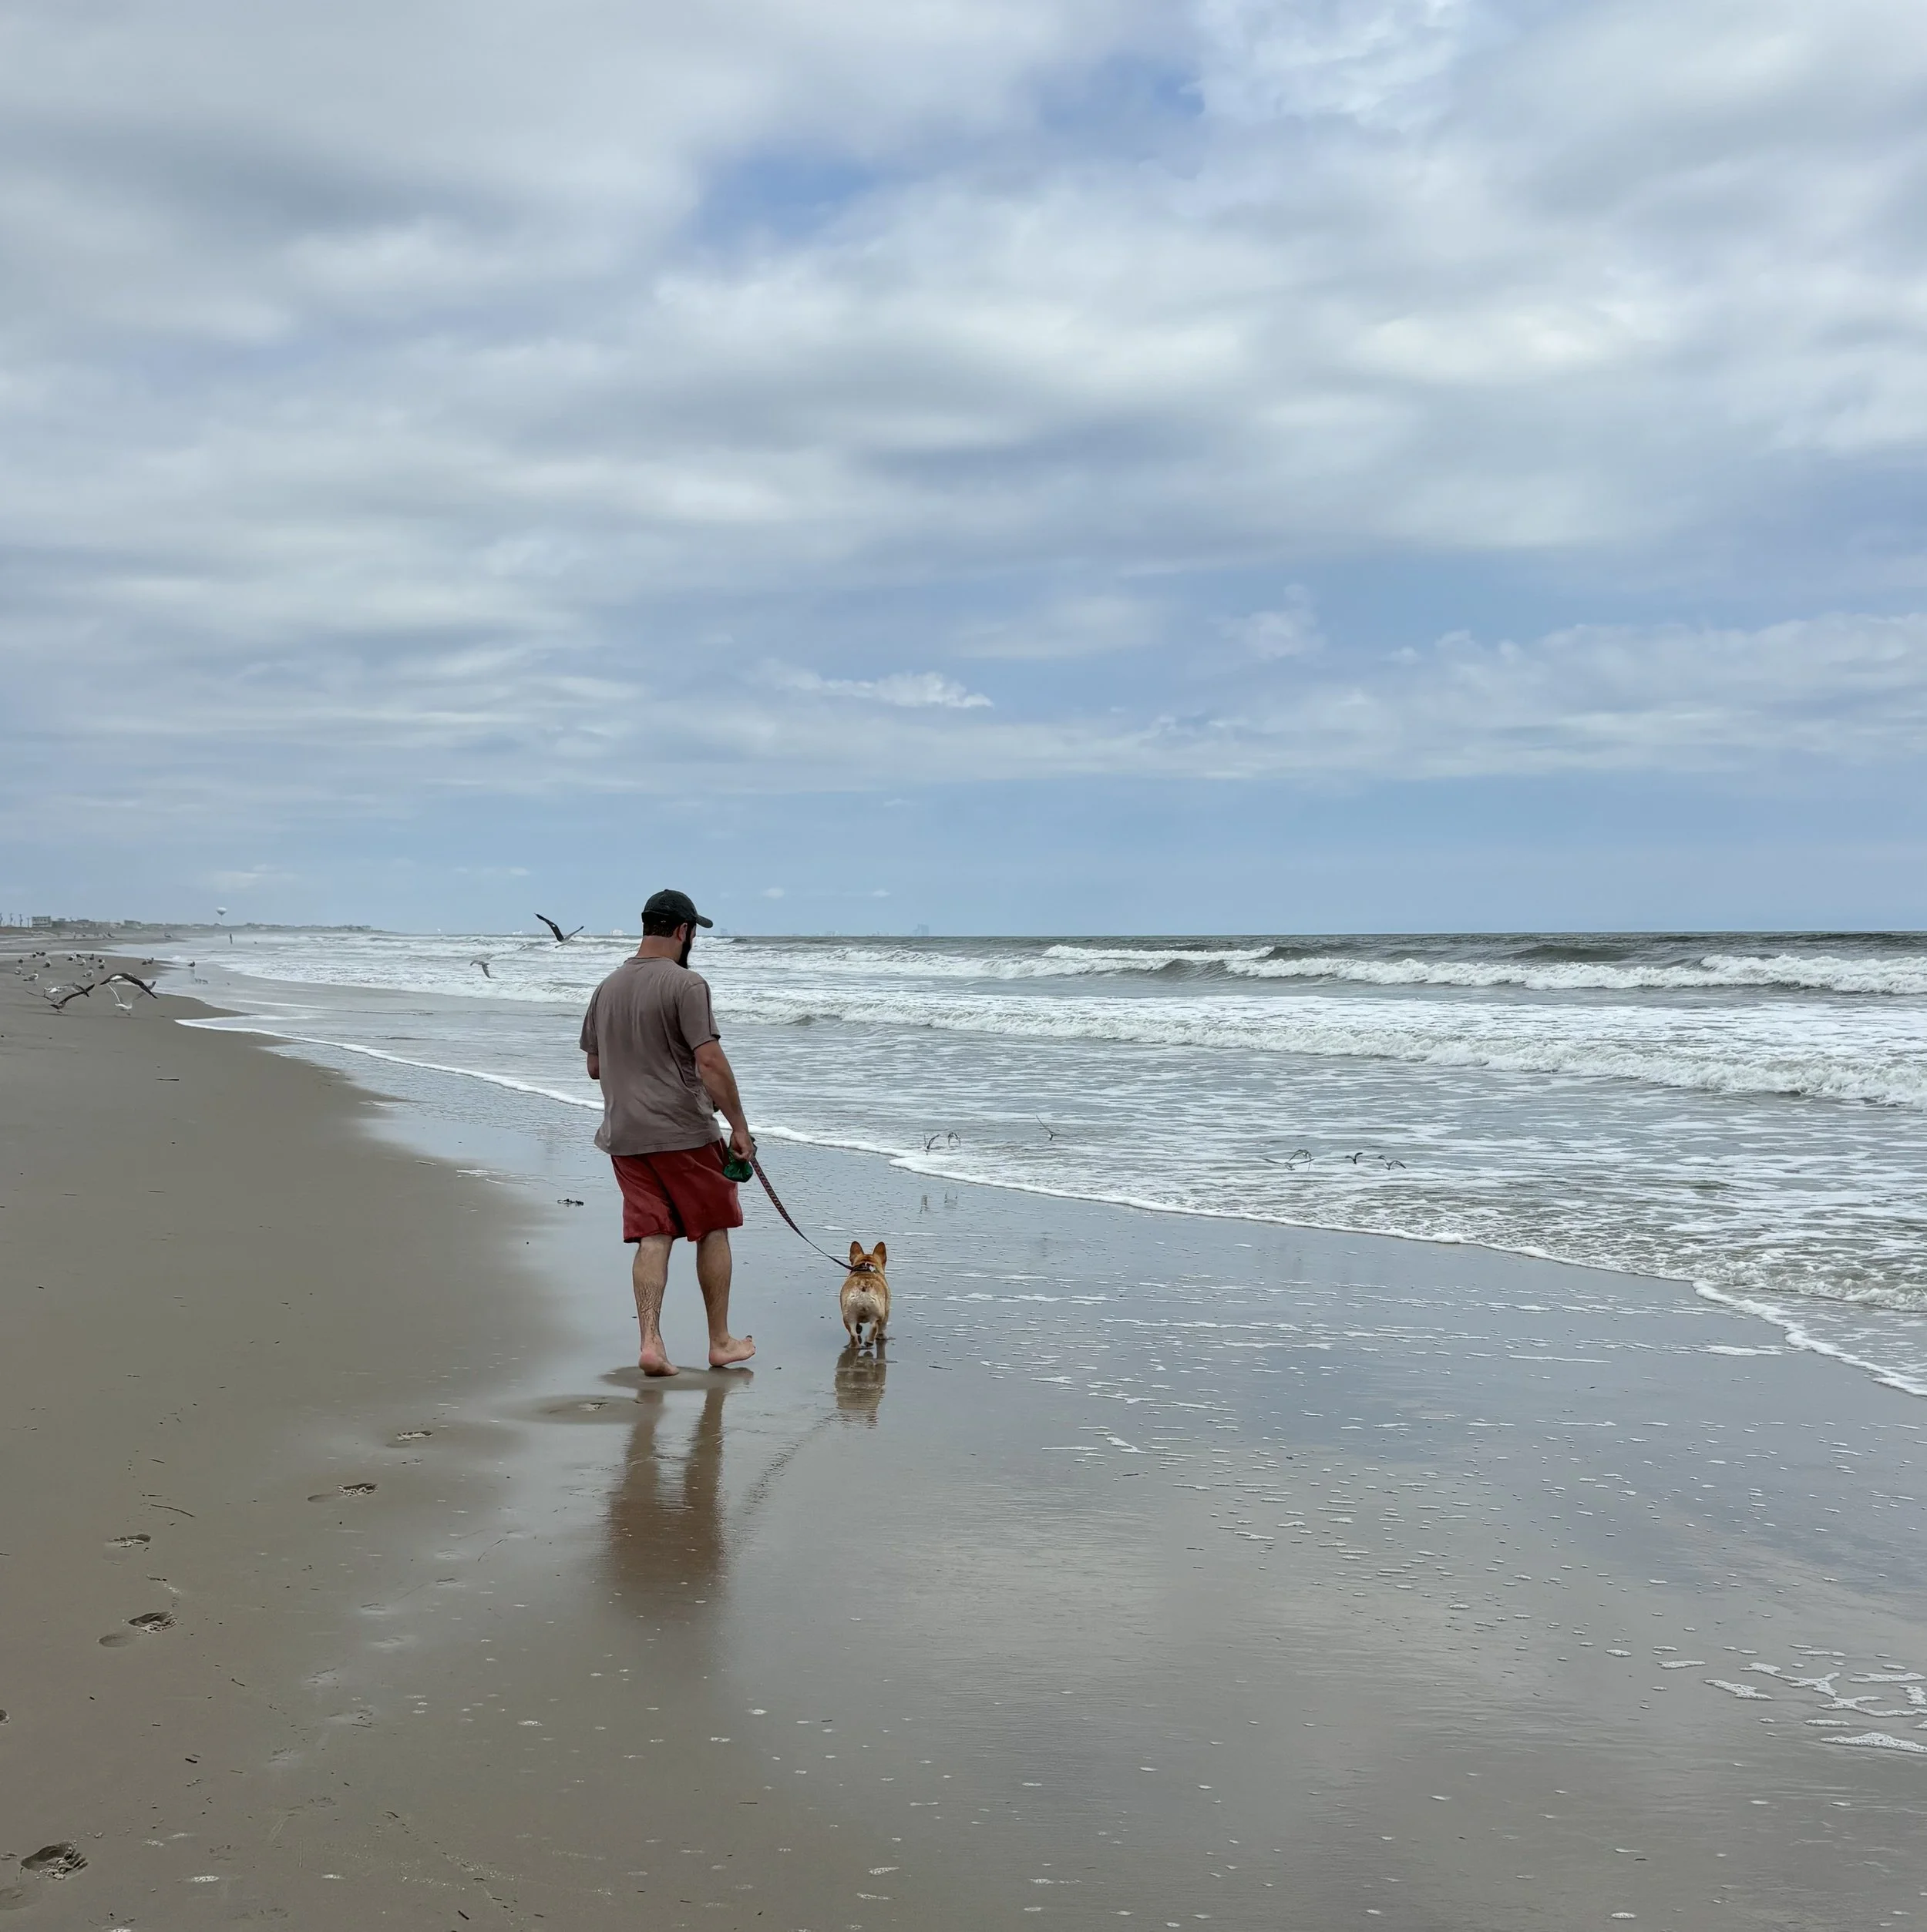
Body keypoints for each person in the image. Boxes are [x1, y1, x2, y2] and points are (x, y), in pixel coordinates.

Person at [580, 889, 755, 1376]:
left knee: (652, 1236)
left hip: (624, 1134)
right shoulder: (687, 985)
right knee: (713, 1228)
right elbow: (709, 1060)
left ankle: (651, 1343)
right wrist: (739, 1126)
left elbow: (595, 1066)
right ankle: (720, 1341)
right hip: (683, 1131)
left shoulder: (607, 986)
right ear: (684, 931)